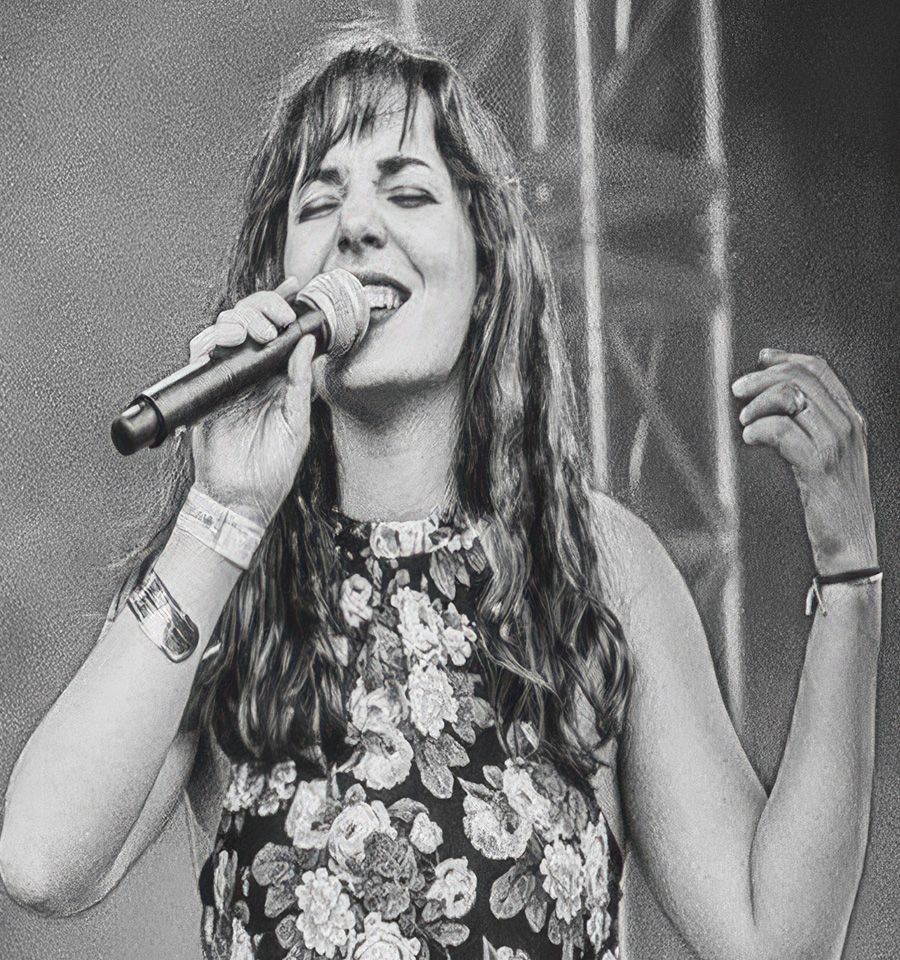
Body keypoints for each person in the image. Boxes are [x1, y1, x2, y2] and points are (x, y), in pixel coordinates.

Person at [0, 33, 881, 960]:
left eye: (408, 192)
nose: (358, 226)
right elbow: (40, 860)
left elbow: (775, 935)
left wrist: (850, 580)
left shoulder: (597, 565)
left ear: (485, 271)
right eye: (321, 201)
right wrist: (222, 514)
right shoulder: (232, 581)